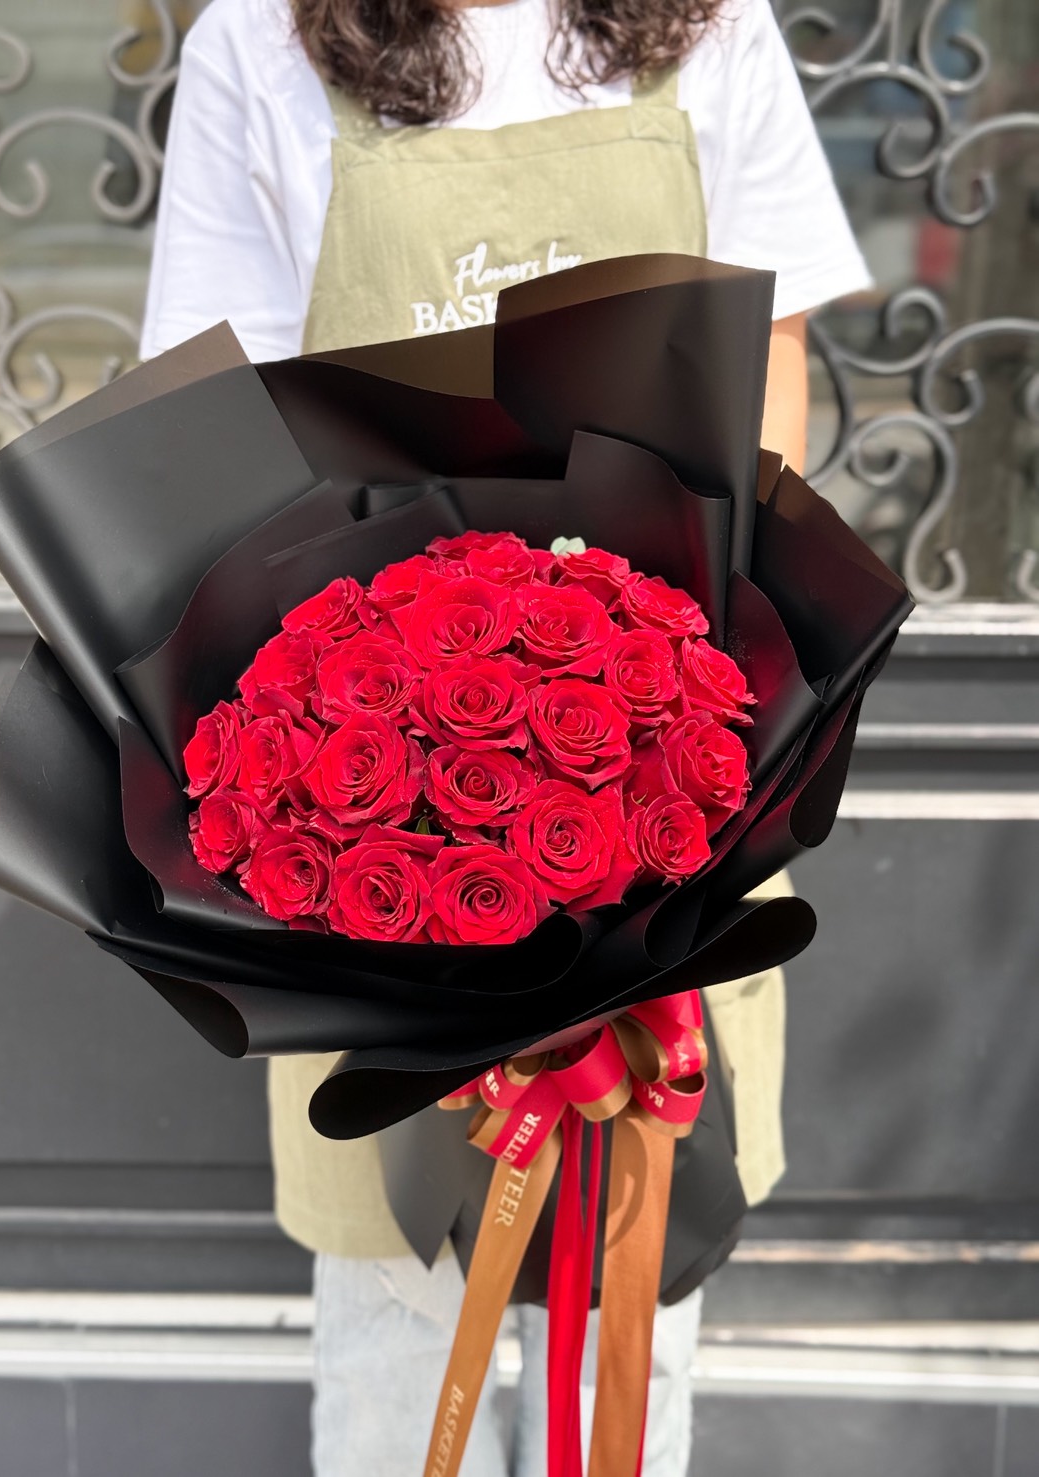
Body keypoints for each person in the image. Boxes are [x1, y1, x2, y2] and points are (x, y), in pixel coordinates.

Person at [140, 1, 869, 1472]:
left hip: (662, 770)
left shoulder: (707, 26)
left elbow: (768, 355)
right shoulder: (261, 40)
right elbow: (217, 404)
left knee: (631, 1314)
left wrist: (696, 681)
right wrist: (366, 716)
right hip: (374, 804)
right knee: (399, 1328)